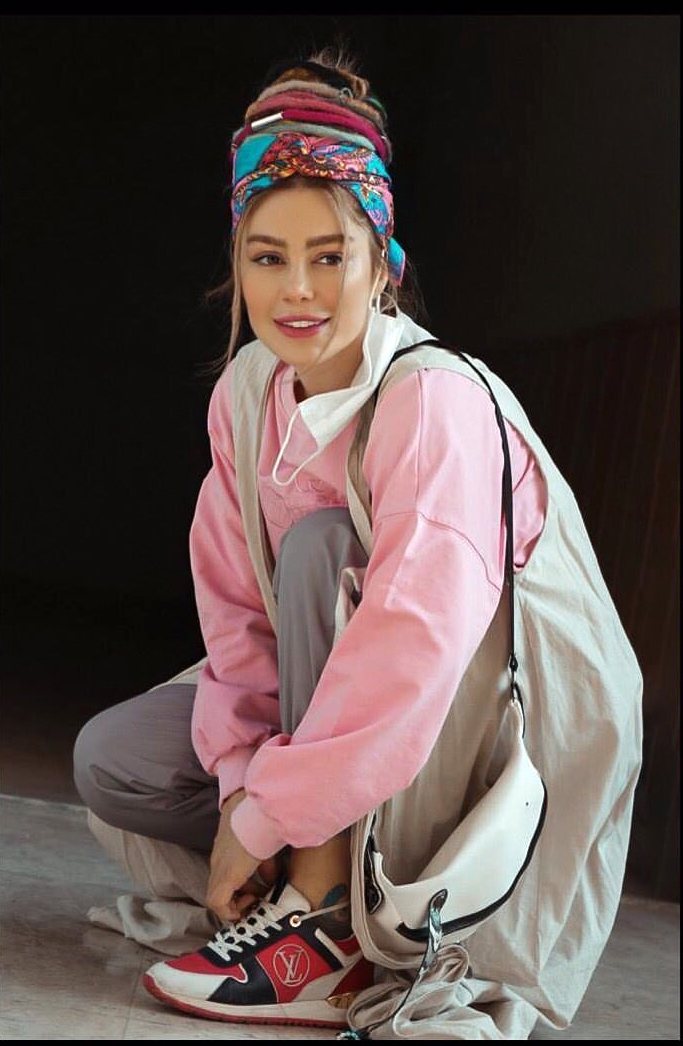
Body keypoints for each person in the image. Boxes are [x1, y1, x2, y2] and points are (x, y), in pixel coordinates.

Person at [73, 45, 643, 1039]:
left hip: (485, 724)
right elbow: (236, 619)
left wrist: (264, 816)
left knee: (319, 549)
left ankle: (326, 923)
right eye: (267, 257)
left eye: (330, 255)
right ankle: (304, 861)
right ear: (236, 266)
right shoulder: (246, 396)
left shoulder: (431, 403)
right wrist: (244, 788)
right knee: (115, 761)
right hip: (362, 710)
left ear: (383, 265)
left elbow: (410, 650)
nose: (298, 289)